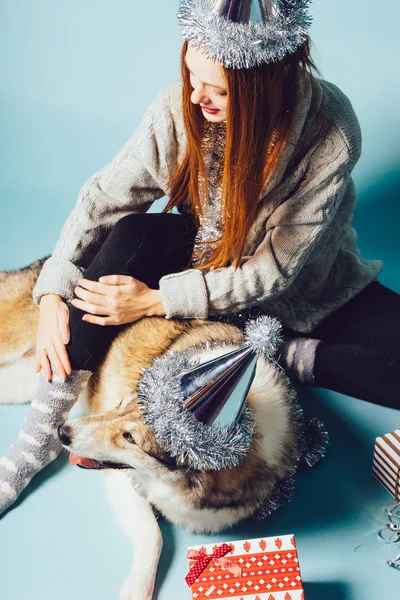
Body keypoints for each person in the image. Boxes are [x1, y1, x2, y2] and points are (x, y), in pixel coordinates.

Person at [1, 0, 399, 515]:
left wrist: (151, 302)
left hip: (305, 290)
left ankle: (284, 353)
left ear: (264, 88)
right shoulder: (180, 107)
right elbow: (104, 197)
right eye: (191, 75)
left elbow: (274, 270)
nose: (194, 95)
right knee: (131, 233)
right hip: (196, 259)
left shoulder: (329, 129)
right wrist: (54, 289)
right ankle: (33, 444)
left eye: (217, 89)